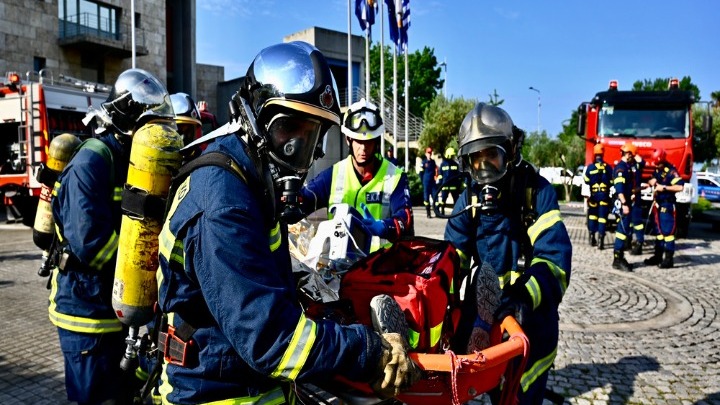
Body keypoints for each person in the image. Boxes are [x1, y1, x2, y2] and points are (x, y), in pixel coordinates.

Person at [156, 41, 420, 404]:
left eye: (312, 137)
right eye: (291, 131)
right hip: (218, 391)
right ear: (256, 119)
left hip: (248, 380)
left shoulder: (248, 179)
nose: (301, 152)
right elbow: (273, 340)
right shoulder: (224, 203)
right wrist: (370, 352)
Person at [50, 68, 175, 405]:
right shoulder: (92, 161)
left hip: (117, 309)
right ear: (128, 123)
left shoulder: (126, 161)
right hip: (87, 313)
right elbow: (91, 243)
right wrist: (143, 271)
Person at [444, 103, 572, 404]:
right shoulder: (468, 199)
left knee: (521, 391)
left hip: (530, 317)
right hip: (484, 312)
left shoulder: (536, 193)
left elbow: (554, 263)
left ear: (511, 152)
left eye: (492, 155)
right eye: (476, 159)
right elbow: (454, 255)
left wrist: (521, 299)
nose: (484, 167)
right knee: (482, 382)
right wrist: (440, 291)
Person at [300, 97, 413, 251]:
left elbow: (405, 218)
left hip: (382, 266)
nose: (363, 148)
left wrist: (384, 226)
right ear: (348, 140)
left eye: (369, 142)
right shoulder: (333, 174)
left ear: (377, 141)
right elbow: (304, 199)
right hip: (340, 268)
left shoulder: (395, 177)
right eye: (358, 141)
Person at [643, 148, 684, 268]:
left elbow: (680, 187)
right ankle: (657, 256)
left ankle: (669, 259)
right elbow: (654, 180)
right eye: (656, 163)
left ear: (663, 160)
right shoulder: (658, 170)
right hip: (658, 204)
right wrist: (651, 182)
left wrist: (664, 188)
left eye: (659, 163)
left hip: (667, 204)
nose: (657, 165)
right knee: (658, 232)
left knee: (668, 232)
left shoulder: (672, 172)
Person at [611, 141, 642, 271]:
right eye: (632, 155)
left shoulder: (626, 167)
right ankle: (617, 259)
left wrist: (639, 189)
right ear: (628, 153)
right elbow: (619, 188)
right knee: (621, 232)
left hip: (627, 201)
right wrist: (624, 204)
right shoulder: (621, 168)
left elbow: (628, 188)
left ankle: (619, 257)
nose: (633, 158)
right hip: (624, 204)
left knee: (623, 231)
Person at [583, 143, 613, 249]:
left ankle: (592, 237)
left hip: (593, 196)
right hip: (604, 197)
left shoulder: (590, 168)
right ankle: (601, 241)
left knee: (592, 217)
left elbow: (586, 181)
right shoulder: (608, 167)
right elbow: (612, 181)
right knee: (602, 219)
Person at [437, 147, 462, 215]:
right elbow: (459, 176)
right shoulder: (455, 164)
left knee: (445, 199)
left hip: (446, 185)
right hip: (452, 185)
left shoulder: (443, 164)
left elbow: (440, 175)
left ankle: (443, 211)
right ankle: (454, 212)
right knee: (454, 200)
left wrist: (440, 184)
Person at [419, 146, 438, 218]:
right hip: (426, 183)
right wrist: (423, 181)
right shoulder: (423, 162)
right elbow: (420, 173)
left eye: (430, 153)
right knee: (426, 199)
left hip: (432, 183)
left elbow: (435, 171)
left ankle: (437, 212)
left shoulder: (433, 162)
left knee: (435, 198)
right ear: (426, 154)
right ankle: (428, 213)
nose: (429, 154)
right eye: (428, 153)